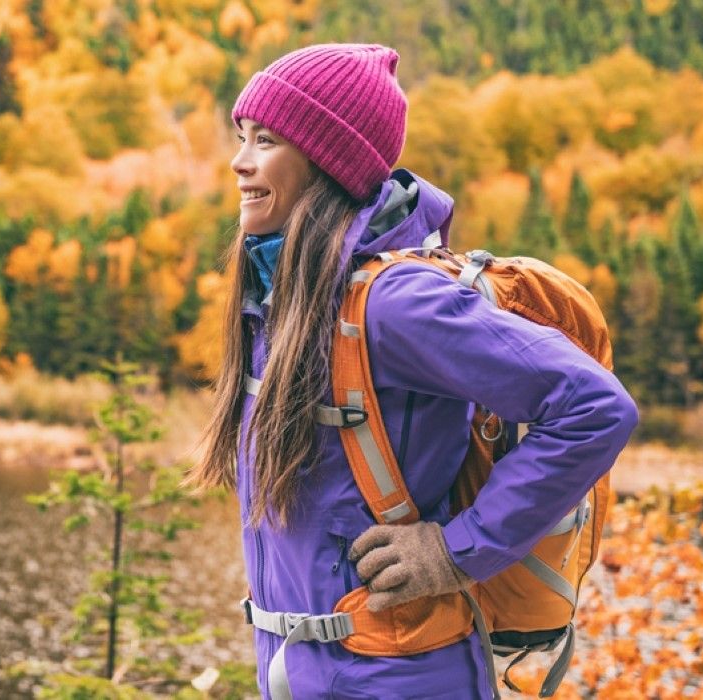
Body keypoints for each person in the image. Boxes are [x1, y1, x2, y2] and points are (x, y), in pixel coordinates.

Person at [185, 44, 639, 698]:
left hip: (399, 679)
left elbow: (597, 409)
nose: (240, 160)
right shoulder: (282, 300)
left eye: (266, 141)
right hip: (308, 674)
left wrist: (458, 551)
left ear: (327, 165)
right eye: (241, 137)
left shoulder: (397, 304)